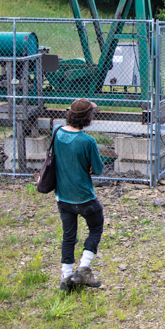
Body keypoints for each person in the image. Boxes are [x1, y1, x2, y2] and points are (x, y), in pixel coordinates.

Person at [54, 98, 104, 292]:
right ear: (87, 118)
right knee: (96, 226)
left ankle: (66, 279)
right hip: (84, 197)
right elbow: (98, 169)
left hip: (63, 196)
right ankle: (83, 269)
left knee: (68, 236)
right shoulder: (87, 141)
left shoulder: (56, 132)